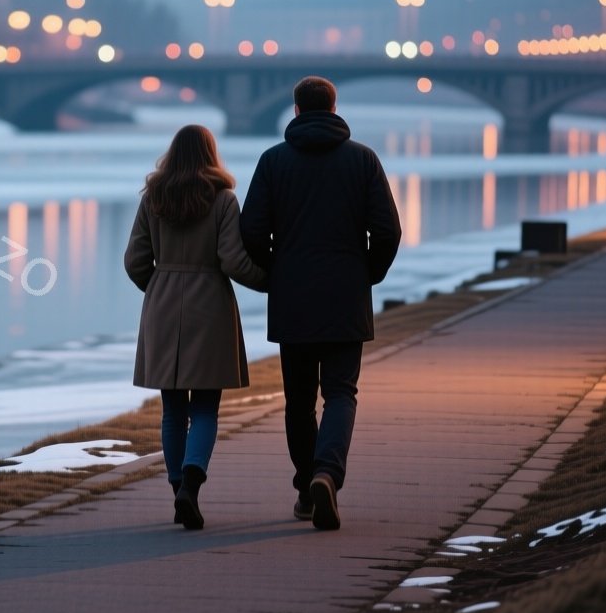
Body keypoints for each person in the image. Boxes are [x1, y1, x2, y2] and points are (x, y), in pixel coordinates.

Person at [240, 76, 401, 531]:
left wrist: (276, 272)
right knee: (340, 392)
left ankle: (306, 488)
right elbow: (388, 231)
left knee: (298, 401)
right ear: (333, 109)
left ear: (295, 111)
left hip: (293, 297)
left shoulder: (273, 162)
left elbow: (251, 232)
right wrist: (366, 272)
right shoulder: (363, 160)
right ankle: (327, 474)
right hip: (345, 296)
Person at [125, 124, 266, 530]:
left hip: (163, 305)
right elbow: (234, 261)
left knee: (172, 409)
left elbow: (134, 260)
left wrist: (158, 287)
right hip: (210, 307)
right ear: (210, 154)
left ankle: (177, 490)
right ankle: (192, 482)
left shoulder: (153, 197)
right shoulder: (222, 200)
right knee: (205, 406)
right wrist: (272, 282)